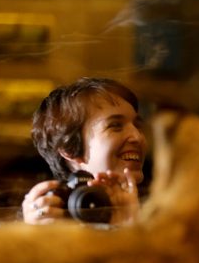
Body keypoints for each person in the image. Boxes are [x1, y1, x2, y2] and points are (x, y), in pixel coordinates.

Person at [21, 77, 147, 225]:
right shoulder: (53, 211)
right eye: (115, 125)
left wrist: (132, 226)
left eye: (138, 125)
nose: (137, 137)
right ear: (70, 149)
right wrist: (34, 233)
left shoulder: (166, 211)